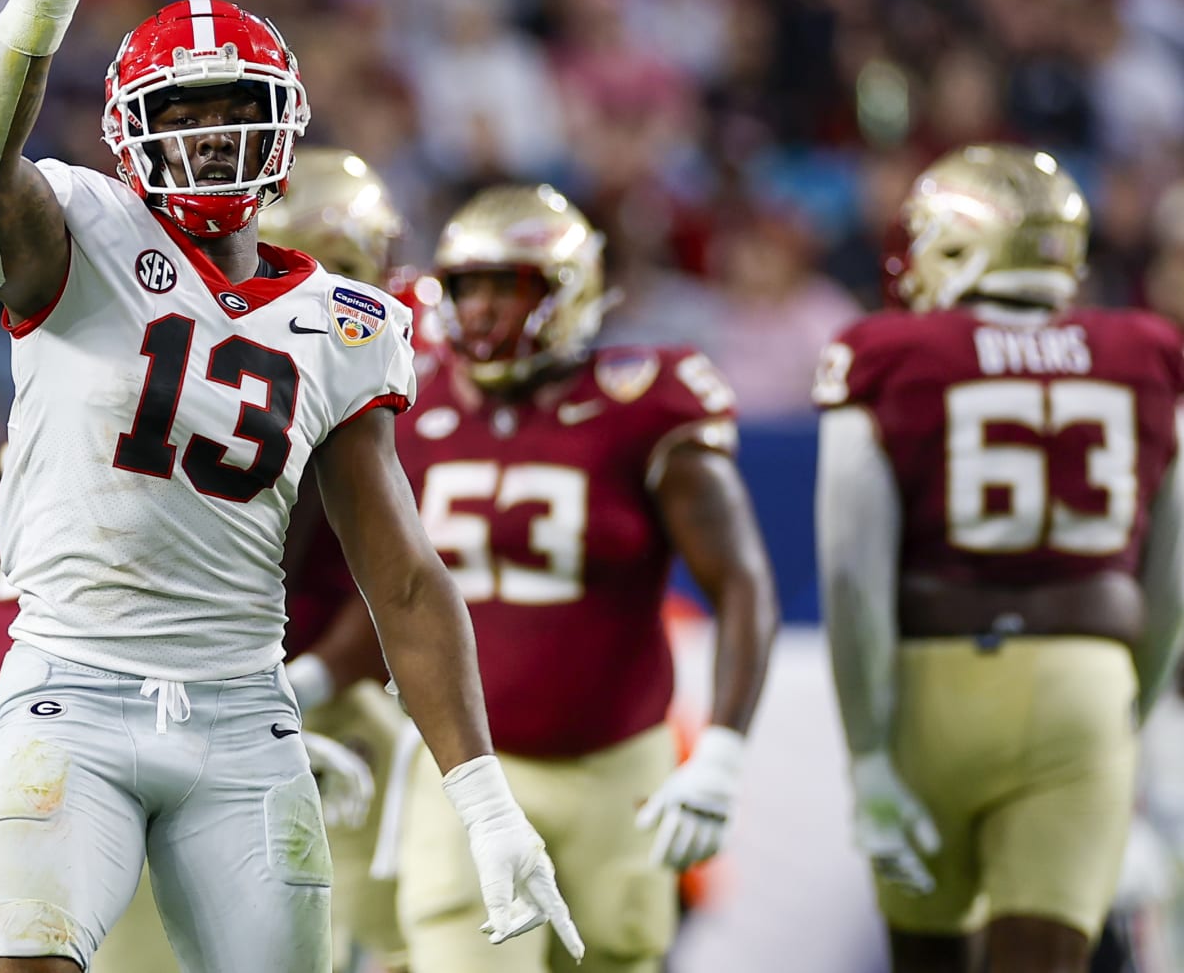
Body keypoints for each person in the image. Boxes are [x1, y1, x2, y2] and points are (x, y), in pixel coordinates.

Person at [0, 0, 579, 973]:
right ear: (130, 130)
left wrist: (483, 799)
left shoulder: (349, 321)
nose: (209, 131)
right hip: (68, 692)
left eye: (229, 104)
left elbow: (402, 573)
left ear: (285, 121)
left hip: (244, 715)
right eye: (179, 111)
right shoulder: (79, 233)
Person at [813, 144, 1184, 973]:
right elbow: (1174, 582)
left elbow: (849, 572)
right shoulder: (1149, 354)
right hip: (1083, 687)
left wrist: (868, 749)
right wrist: (1132, 704)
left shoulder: (887, 354)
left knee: (926, 960)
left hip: (933, 691)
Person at [390, 183, 779, 973]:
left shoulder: (642, 402)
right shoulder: (408, 404)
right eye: (469, 286)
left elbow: (741, 581)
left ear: (569, 293)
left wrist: (723, 750)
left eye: (511, 285)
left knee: (621, 956)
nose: (484, 310)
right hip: (466, 769)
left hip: (616, 763)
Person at [261, 145, 412, 972]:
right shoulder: (189, 354)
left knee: (365, 927)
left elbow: (409, 577)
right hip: (191, 689)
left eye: (357, 269)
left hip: (347, 698)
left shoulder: (395, 363)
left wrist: (304, 686)